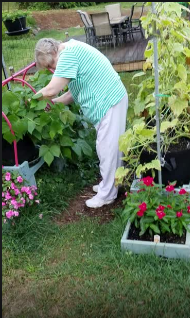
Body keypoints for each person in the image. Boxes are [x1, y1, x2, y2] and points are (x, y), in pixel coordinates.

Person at [34, 38, 128, 208]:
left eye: (50, 64)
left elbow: (51, 89)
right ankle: (111, 184)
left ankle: (106, 195)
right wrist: (53, 103)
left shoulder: (67, 55)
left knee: (107, 149)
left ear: (53, 52)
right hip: (110, 100)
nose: (51, 69)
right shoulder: (71, 49)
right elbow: (71, 94)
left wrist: (31, 101)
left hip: (109, 101)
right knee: (109, 148)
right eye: (48, 68)